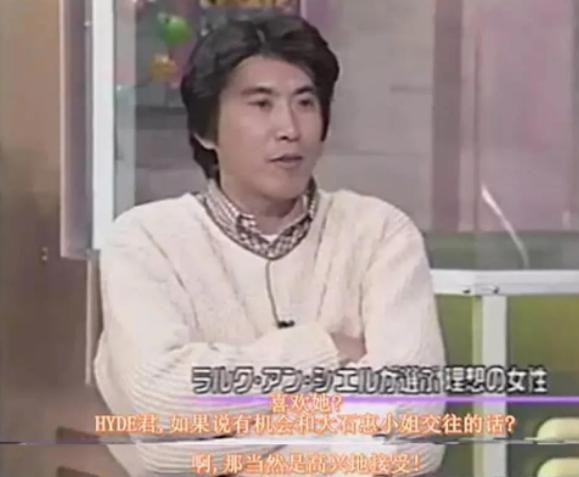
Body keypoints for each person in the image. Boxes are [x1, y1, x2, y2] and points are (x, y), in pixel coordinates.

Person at [94, 12, 446, 477]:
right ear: (205, 131)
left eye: (305, 103)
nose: (290, 128)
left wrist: (213, 442)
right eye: (261, 104)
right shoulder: (144, 241)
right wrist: (323, 351)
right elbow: (164, 408)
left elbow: (413, 425)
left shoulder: (380, 234)